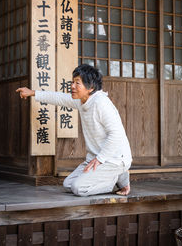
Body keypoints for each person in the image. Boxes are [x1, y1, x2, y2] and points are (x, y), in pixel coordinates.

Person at [16, 64, 132, 197]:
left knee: (79, 188)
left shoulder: (101, 103)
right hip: (96, 158)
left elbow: (116, 134)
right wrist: (33, 93)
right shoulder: (82, 100)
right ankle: (117, 175)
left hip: (114, 158)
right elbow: (59, 98)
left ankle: (116, 177)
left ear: (91, 88)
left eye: (78, 83)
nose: (72, 86)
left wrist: (100, 159)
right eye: (73, 82)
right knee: (68, 184)